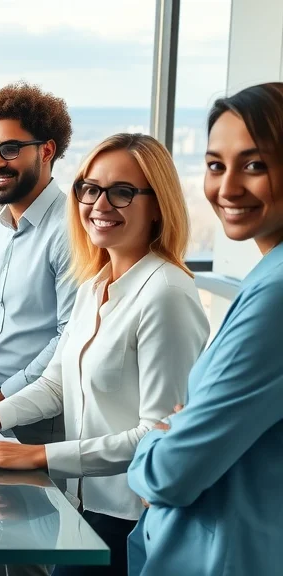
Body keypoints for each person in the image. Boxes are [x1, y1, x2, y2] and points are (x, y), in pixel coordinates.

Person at [0, 134, 210, 576]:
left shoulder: (167, 294)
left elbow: (157, 438)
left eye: (122, 192)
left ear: (157, 205)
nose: (100, 204)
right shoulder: (95, 284)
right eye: (90, 189)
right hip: (83, 507)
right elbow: (56, 383)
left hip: (132, 521)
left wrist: (38, 455)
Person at [126, 83, 283, 576]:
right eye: (216, 165)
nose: (228, 188)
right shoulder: (266, 276)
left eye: (255, 165)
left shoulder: (275, 295)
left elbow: (169, 472)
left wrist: (159, 440)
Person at [0, 81, 76, 450]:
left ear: (47, 150)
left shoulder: (69, 231)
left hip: (33, 412)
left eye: (10, 149)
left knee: (34, 509)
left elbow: (67, 337)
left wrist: (6, 397)